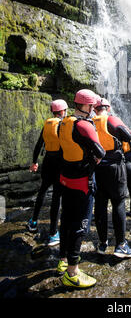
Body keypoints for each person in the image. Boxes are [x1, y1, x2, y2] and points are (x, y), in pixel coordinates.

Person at [58, 89, 106, 289]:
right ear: (85, 106)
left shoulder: (64, 122)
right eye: (92, 106)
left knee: (66, 220)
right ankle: (72, 272)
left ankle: (62, 260)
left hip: (66, 179)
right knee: (80, 225)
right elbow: (100, 151)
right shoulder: (84, 126)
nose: (94, 109)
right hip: (82, 183)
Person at [93, 96, 131, 257]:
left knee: (101, 205)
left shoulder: (90, 122)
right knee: (118, 203)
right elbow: (127, 135)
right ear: (108, 108)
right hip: (114, 166)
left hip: (98, 167)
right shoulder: (111, 120)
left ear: (94, 109)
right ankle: (120, 245)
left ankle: (102, 243)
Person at [27, 99, 68, 246]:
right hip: (59, 164)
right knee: (56, 198)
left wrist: (34, 162)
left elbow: (39, 144)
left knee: (42, 191)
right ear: (62, 111)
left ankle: (33, 222)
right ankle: (53, 234)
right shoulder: (62, 125)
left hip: (47, 162)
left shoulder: (47, 124)